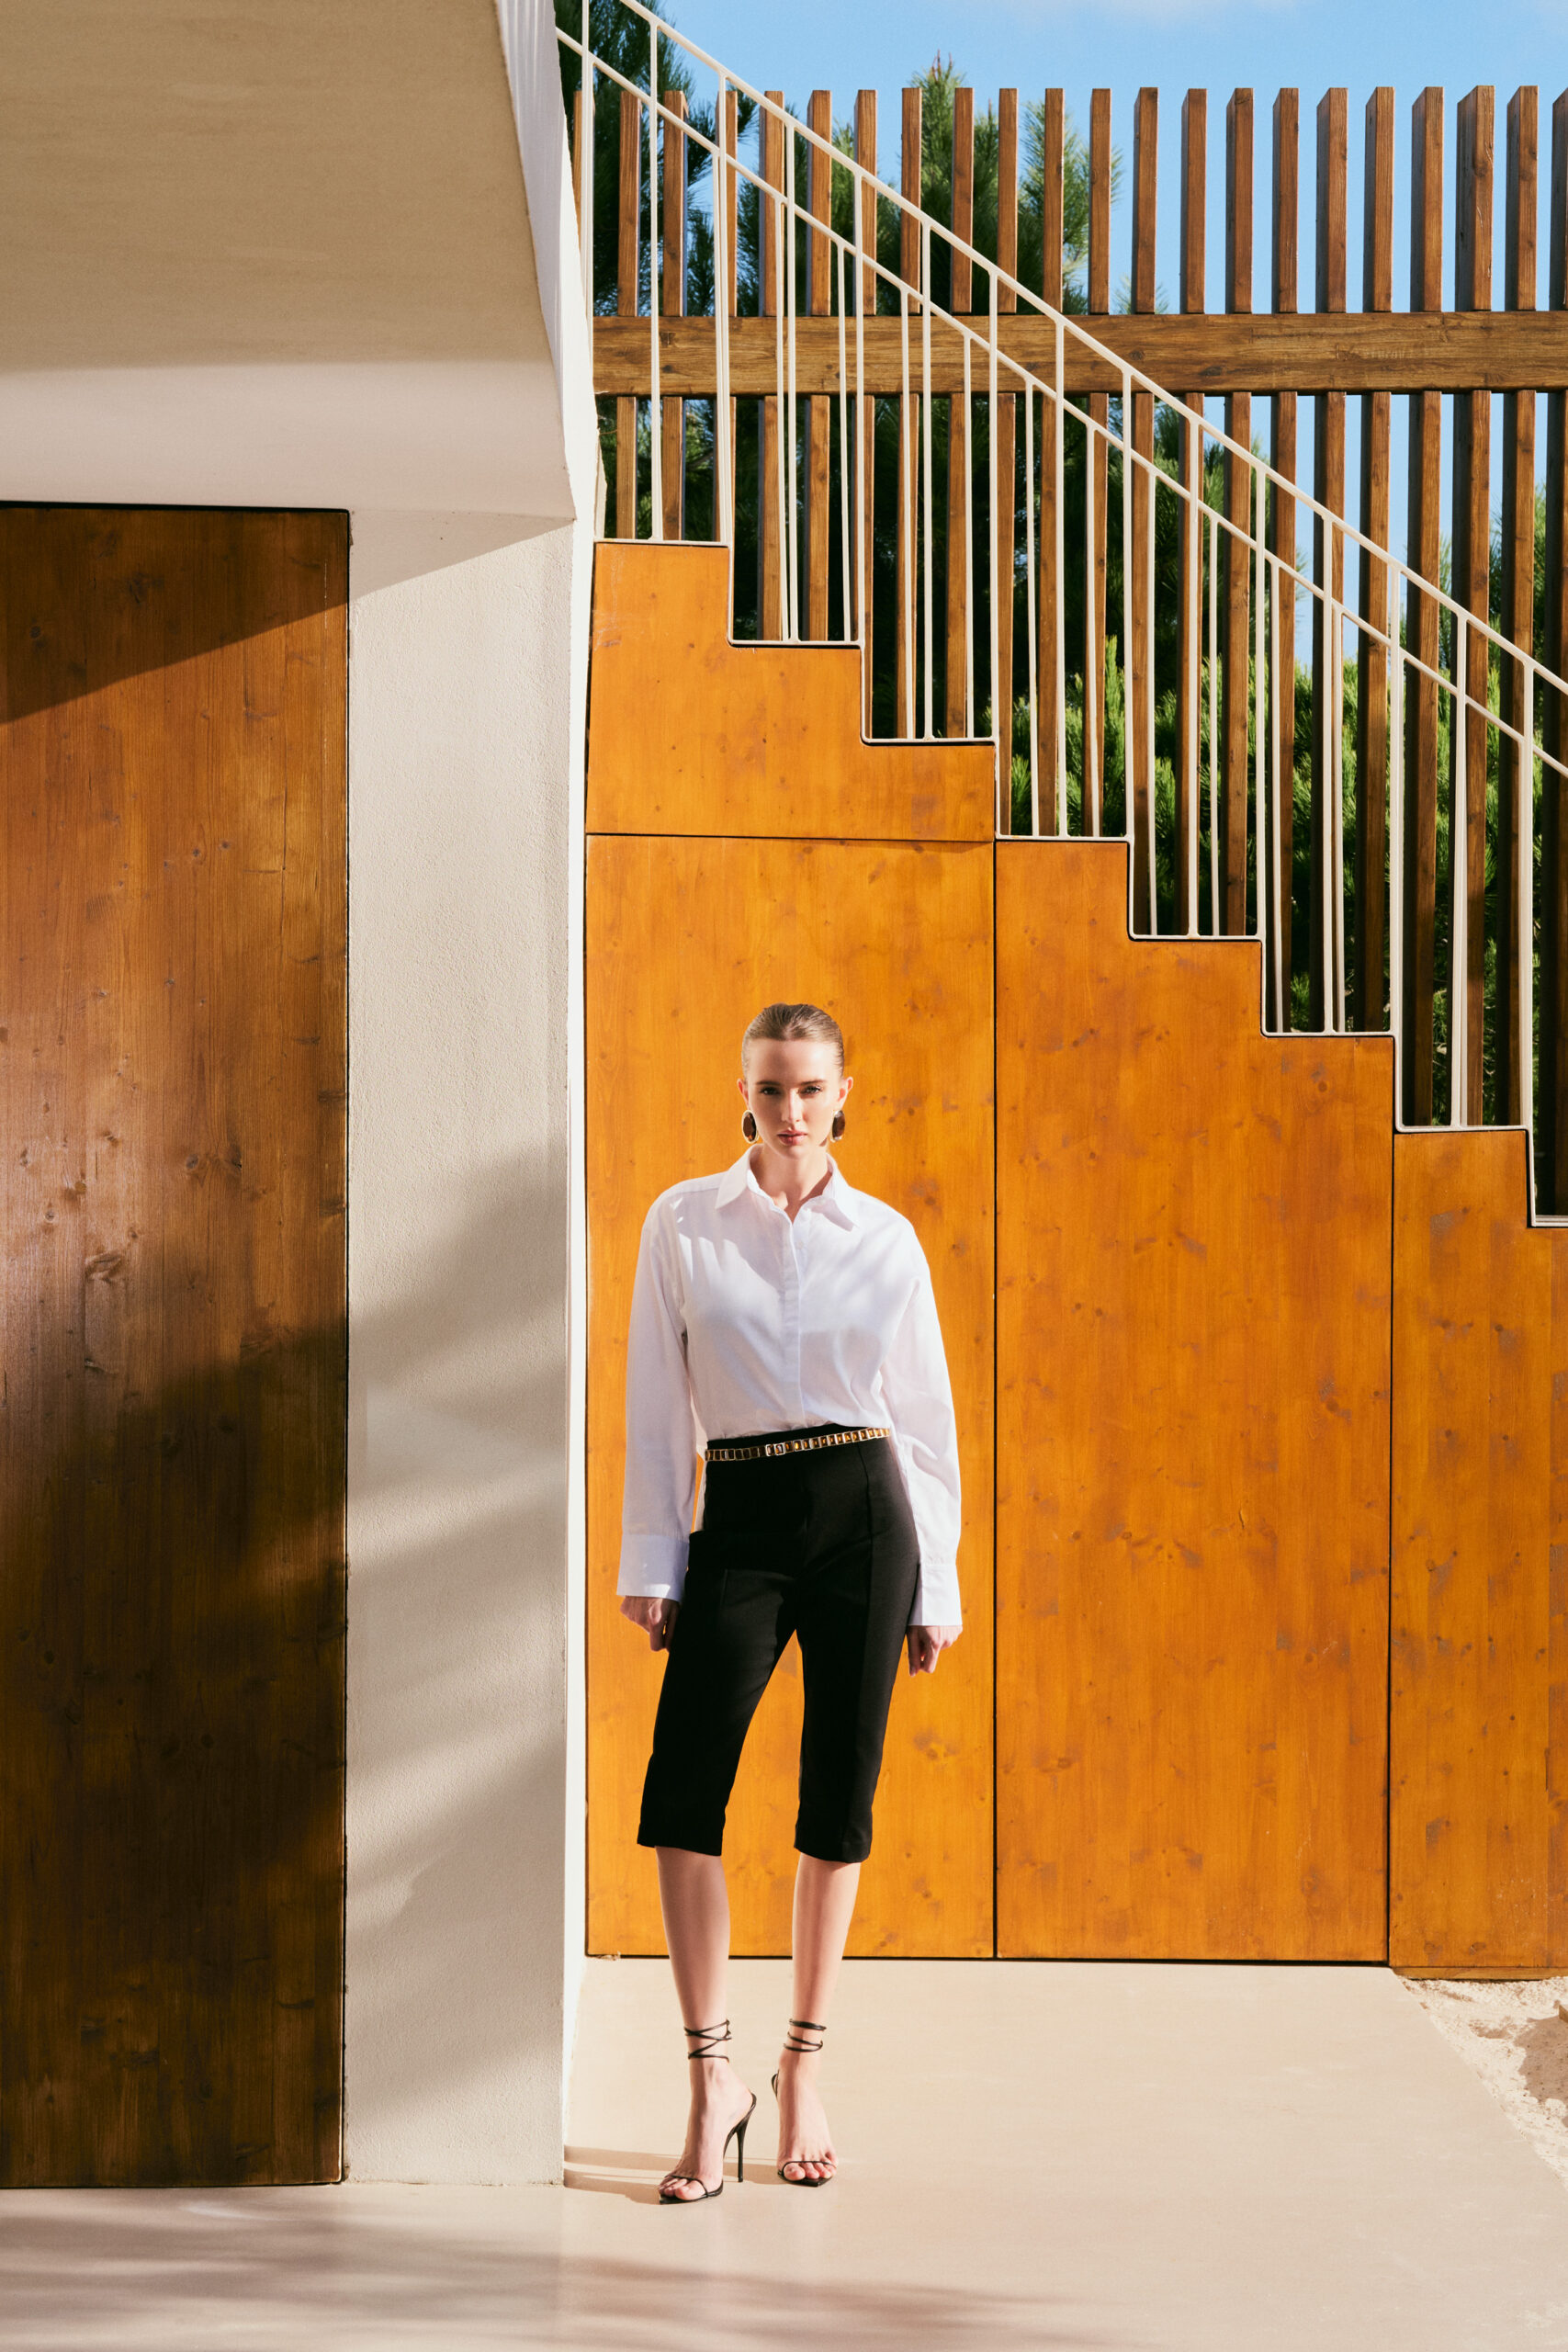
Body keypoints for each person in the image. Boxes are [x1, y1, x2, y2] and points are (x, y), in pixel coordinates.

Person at [618, 1001, 963, 2202]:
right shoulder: (682, 1223)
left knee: (838, 1795)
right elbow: (655, 1403)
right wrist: (654, 1562)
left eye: (812, 1088)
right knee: (682, 1794)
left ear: (843, 1093)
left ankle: (804, 2066)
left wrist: (937, 1580)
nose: (792, 1110)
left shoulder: (887, 1238)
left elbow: (924, 1421)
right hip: (744, 1513)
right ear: (745, 1092)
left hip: (866, 1512)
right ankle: (712, 2080)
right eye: (772, 1088)